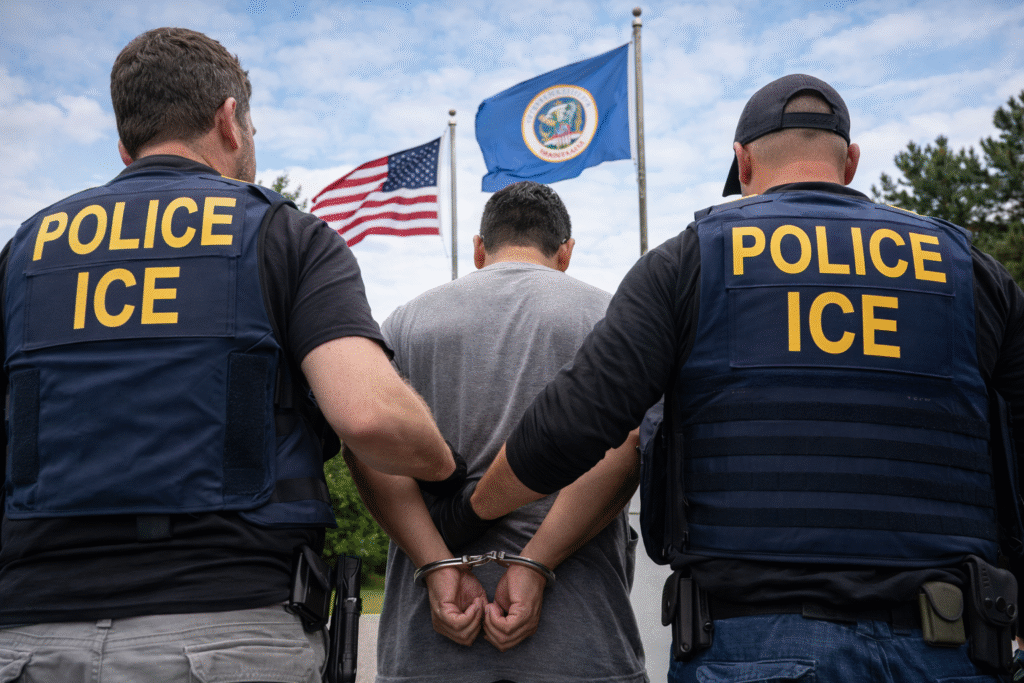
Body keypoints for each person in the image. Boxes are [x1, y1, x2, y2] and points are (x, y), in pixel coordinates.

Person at [439, 74, 1024, 682]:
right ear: (850, 161)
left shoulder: (691, 259)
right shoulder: (971, 272)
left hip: (752, 644)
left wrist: (466, 515)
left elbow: (574, 424)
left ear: (743, 163)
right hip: (951, 644)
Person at [0, 27, 462, 682]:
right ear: (229, 119)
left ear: (125, 141)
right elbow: (369, 417)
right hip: (227, 631)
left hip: (27, 638)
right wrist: (446, 469)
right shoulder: (283, 233)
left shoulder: (24, 250)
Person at [344, 181, 647, 683]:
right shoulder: (611, 318)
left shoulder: (404, 323)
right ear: (566, 252)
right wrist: (535, 564)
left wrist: (437, 564)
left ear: (480, 249)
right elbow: (631, 443)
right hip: (583, 641)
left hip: (428, 644)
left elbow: (367, 445)